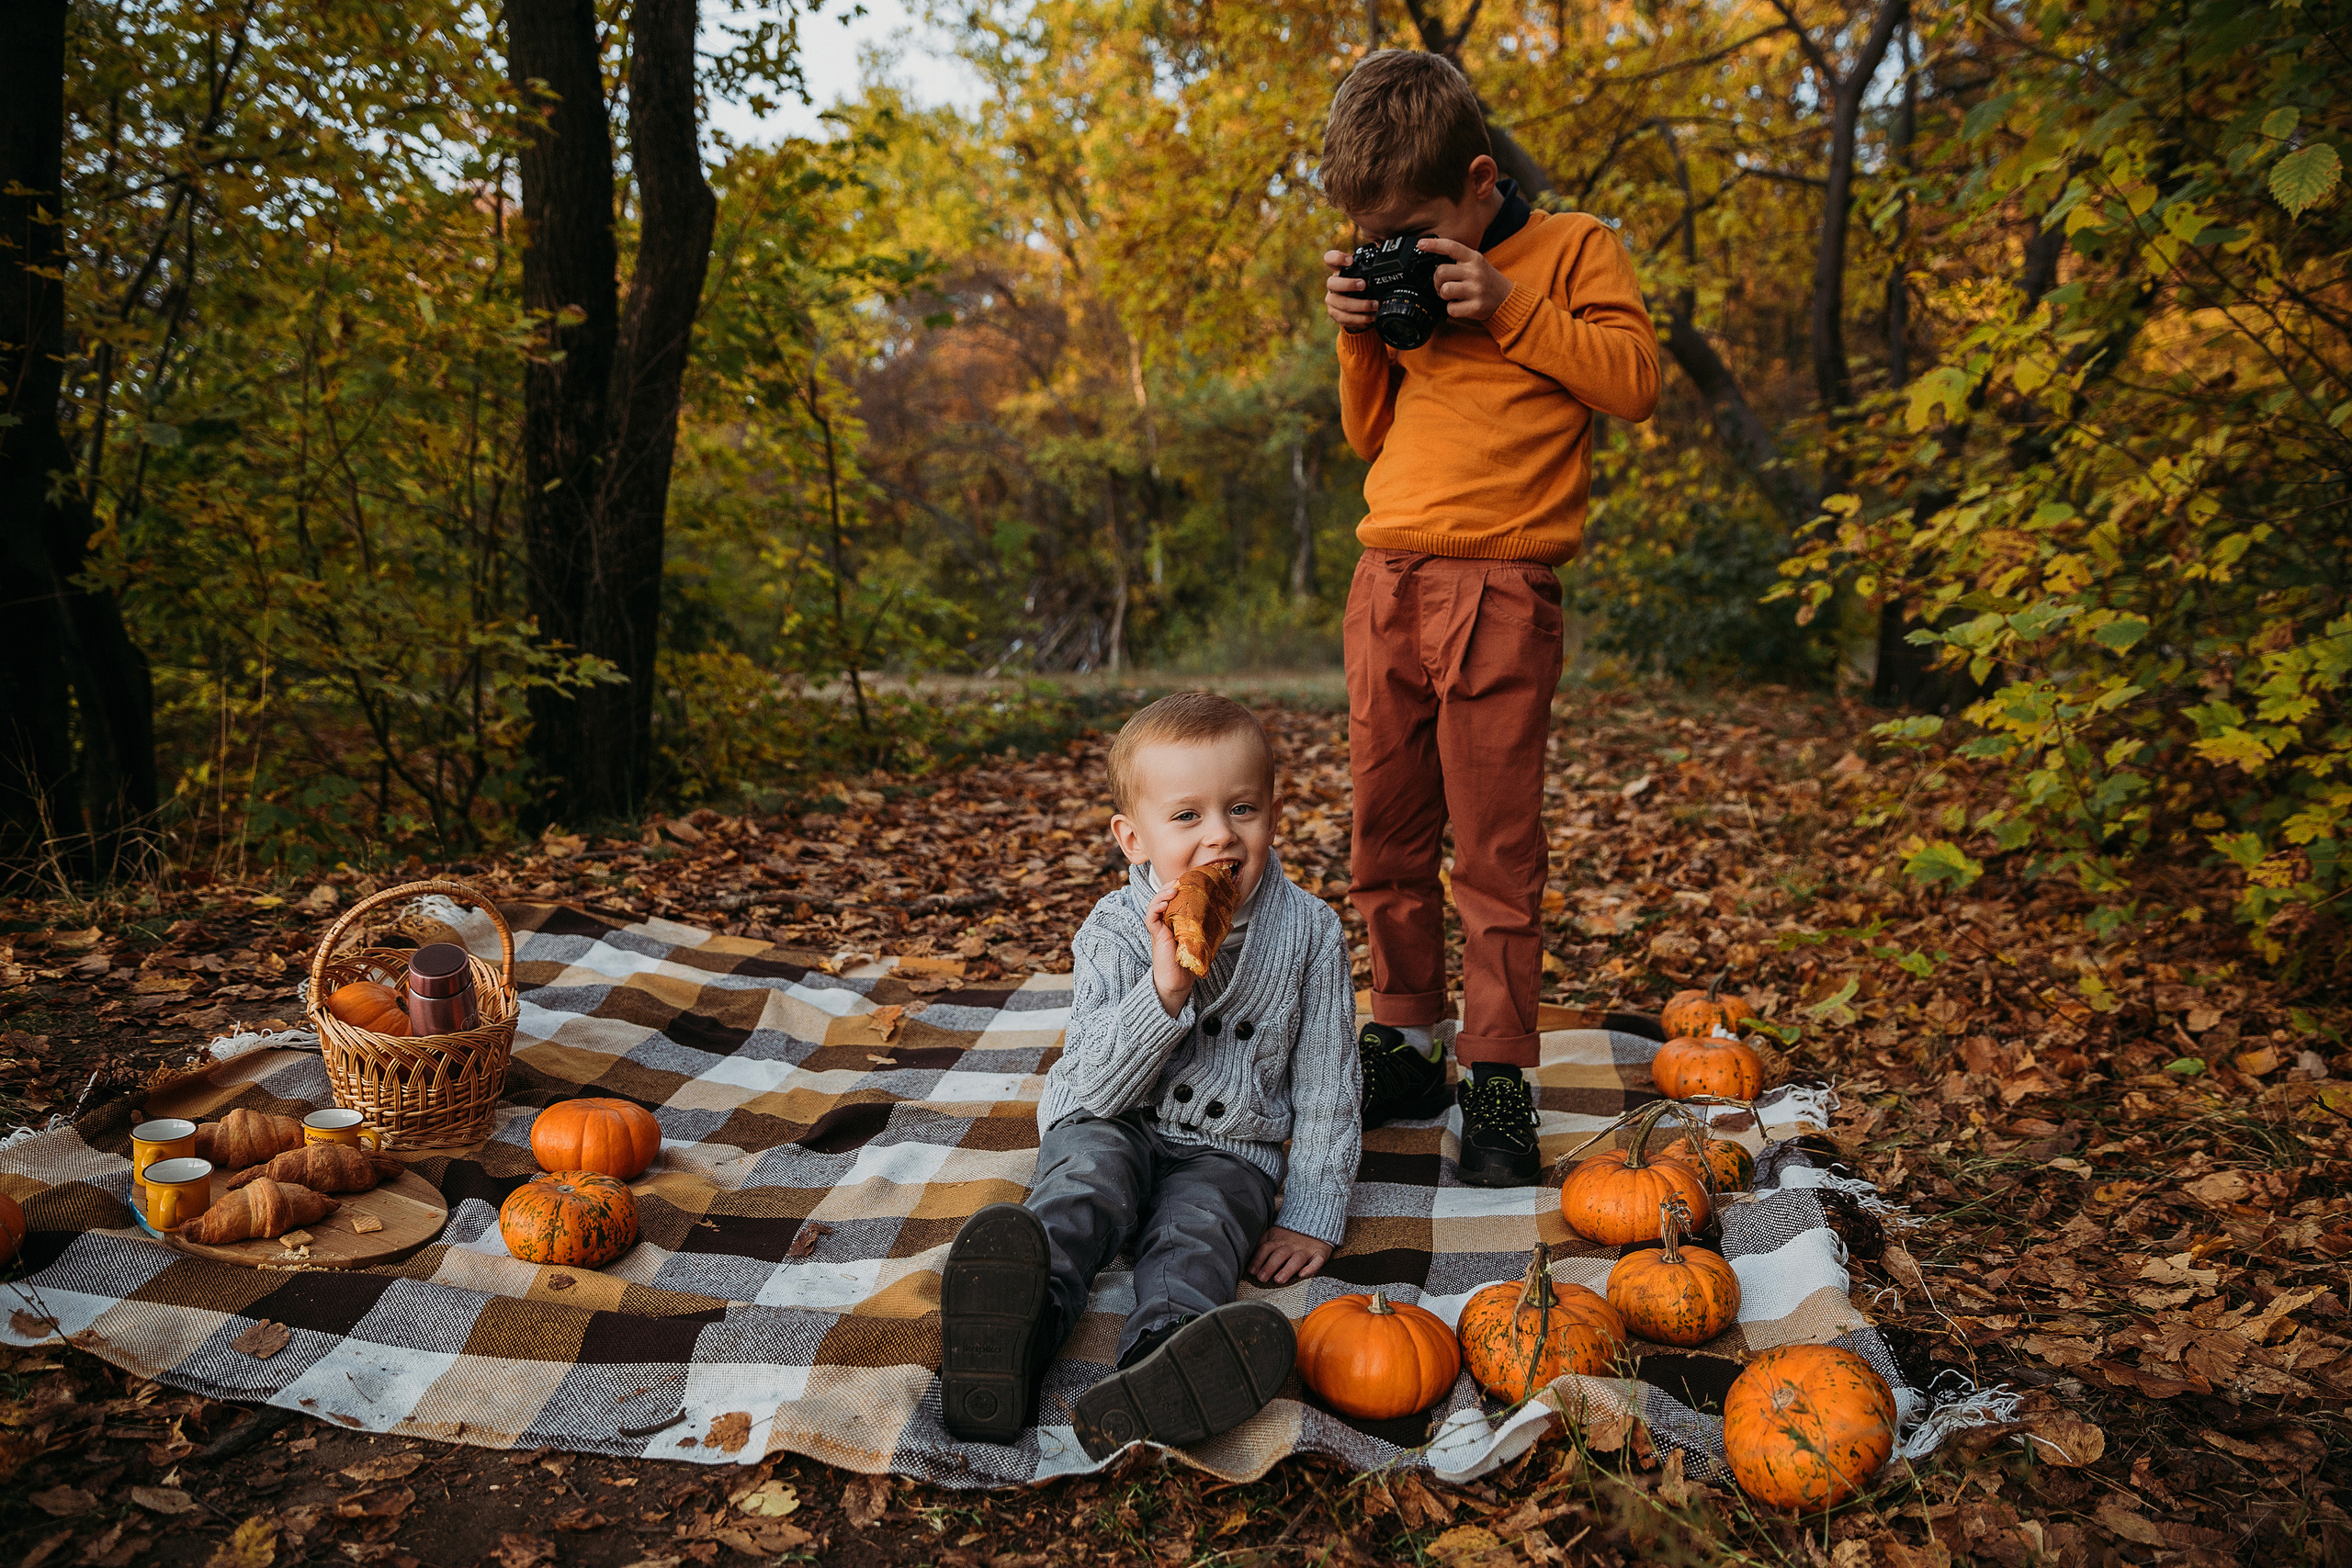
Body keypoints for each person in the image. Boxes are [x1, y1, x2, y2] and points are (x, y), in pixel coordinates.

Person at [1320, 50, 1660, 1187]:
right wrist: (1362, 326)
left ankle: (1498, 1068)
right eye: (1378, 241)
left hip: (1502, 587)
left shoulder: (1572, 250)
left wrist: (1510, 304)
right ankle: (1405, 1038)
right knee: (1387, 834)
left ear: (1478, 182)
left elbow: (1631, 380)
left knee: (1496, 851)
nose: (1401, 252)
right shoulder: (1402, 270)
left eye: (1414, 232)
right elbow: (1369, 435)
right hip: (1388, 580)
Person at [936, 693, 1361, 1458]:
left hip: (1226, 1145)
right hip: (1113, 1117)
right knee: (1081, 1189)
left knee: (1199, 1233)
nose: (1222, 836)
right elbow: (1093, 1084)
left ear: (1272, 813)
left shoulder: (1311, 934)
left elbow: (1331, 1086)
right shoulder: (1110, 930)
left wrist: (1312, 1208)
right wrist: (1163, 989)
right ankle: (1010, 1342)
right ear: (1133, 839)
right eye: (1188, 817)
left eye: (1242, 809)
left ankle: (1162, 1367)